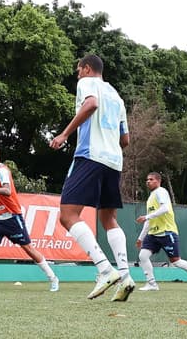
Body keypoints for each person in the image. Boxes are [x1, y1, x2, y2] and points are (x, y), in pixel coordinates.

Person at [49, 54, 135, 301]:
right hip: (113, 161)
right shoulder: (117, 96)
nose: (77, 74)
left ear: (87, 68)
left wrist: (64, 134)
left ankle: (105, 269)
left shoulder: (88, 83)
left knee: (67, 215)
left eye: (78, 70)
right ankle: (126, 276)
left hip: (89, 156)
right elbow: (125, 140)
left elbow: (91, 104)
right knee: (108, 218)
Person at [0, 145, 59, 292]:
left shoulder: (2, 170)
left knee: (28, 249)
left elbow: (7, 191)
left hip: (12, 217)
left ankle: (53, 278)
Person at [135, 172, 187, 290]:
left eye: (151, 179)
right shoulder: (150, 198)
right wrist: (140, 238)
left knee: (175, 261)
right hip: (153, 234)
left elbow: (165, 208)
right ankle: (152, 284)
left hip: (167, 232)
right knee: (143, 256)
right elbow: (149, 220)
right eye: (147, 180)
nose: (148, 181)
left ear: (158, 181)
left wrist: (147, 217)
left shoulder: (161, 192)